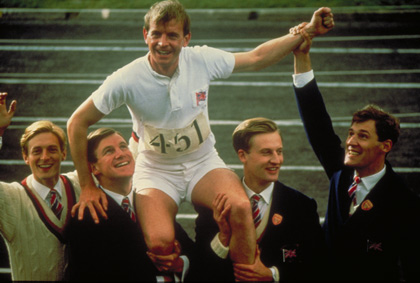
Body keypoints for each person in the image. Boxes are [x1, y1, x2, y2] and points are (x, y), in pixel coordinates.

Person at [67, 0, 334, 265]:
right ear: (145, 35)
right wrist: (88, 185)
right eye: (156, 34)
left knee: (240, 209)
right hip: (156, 171)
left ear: (186, 39)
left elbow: (256, 57)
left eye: (172, 35)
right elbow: (77, 122)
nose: (163, 43)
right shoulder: (125, 78)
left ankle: (248, 275)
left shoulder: (201, 59)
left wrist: (307, 31)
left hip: (202, 163)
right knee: (160, 242)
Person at [292, 27, 420, 281]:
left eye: (362, 136)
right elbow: (316, 121)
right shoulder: (341, 172)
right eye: (351, 133)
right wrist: (302, 56)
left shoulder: (404, 202)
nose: (351, 142)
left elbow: (412, 266)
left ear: (385, 146)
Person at [190, 117, 327, 282]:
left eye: (279, 151)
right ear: (242, 155)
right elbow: (198, 270)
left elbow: (319, 266)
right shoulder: (216, 203)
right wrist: (223, 239)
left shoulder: (301, 206)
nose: (276, 160)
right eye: (266, 152)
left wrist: (273, 275)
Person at [66, 128, 195, 282]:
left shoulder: (153, 200)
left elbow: (190, 251)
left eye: (123, 146)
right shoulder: (86, 217)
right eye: (108, 151)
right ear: (93, 168)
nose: (120, 154)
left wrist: (180, 264)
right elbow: (93, 274)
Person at [0, 93, 81, 281]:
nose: (45, 157)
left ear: (63, 153)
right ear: (25, 157)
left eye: (52, 149)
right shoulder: (11, 198)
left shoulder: (80, 184)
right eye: (37, 151)